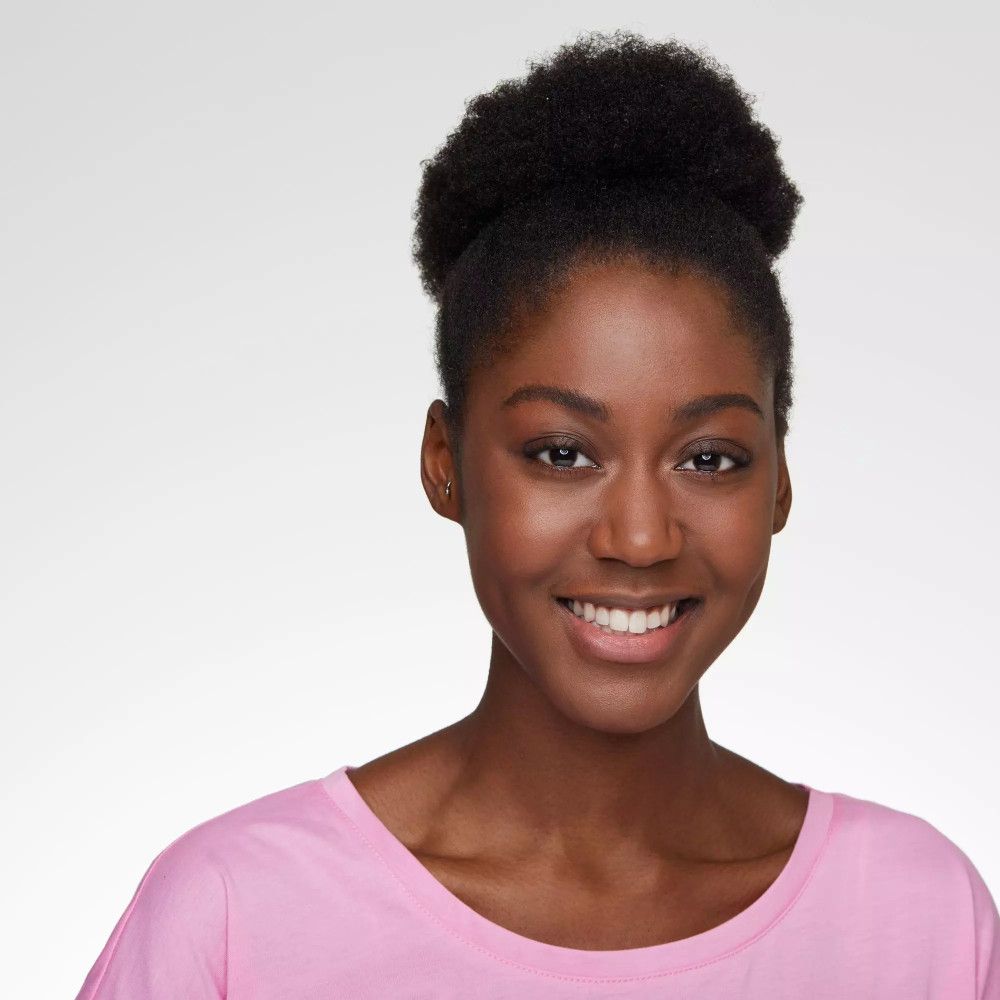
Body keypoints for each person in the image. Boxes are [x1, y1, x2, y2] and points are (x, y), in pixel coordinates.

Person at [74, 30, 999, 998]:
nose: (639, 538)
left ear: (777, 485)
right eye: (562, 453)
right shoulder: (236, 918)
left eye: (708, 458)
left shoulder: (921, 920)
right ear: (445, 466)